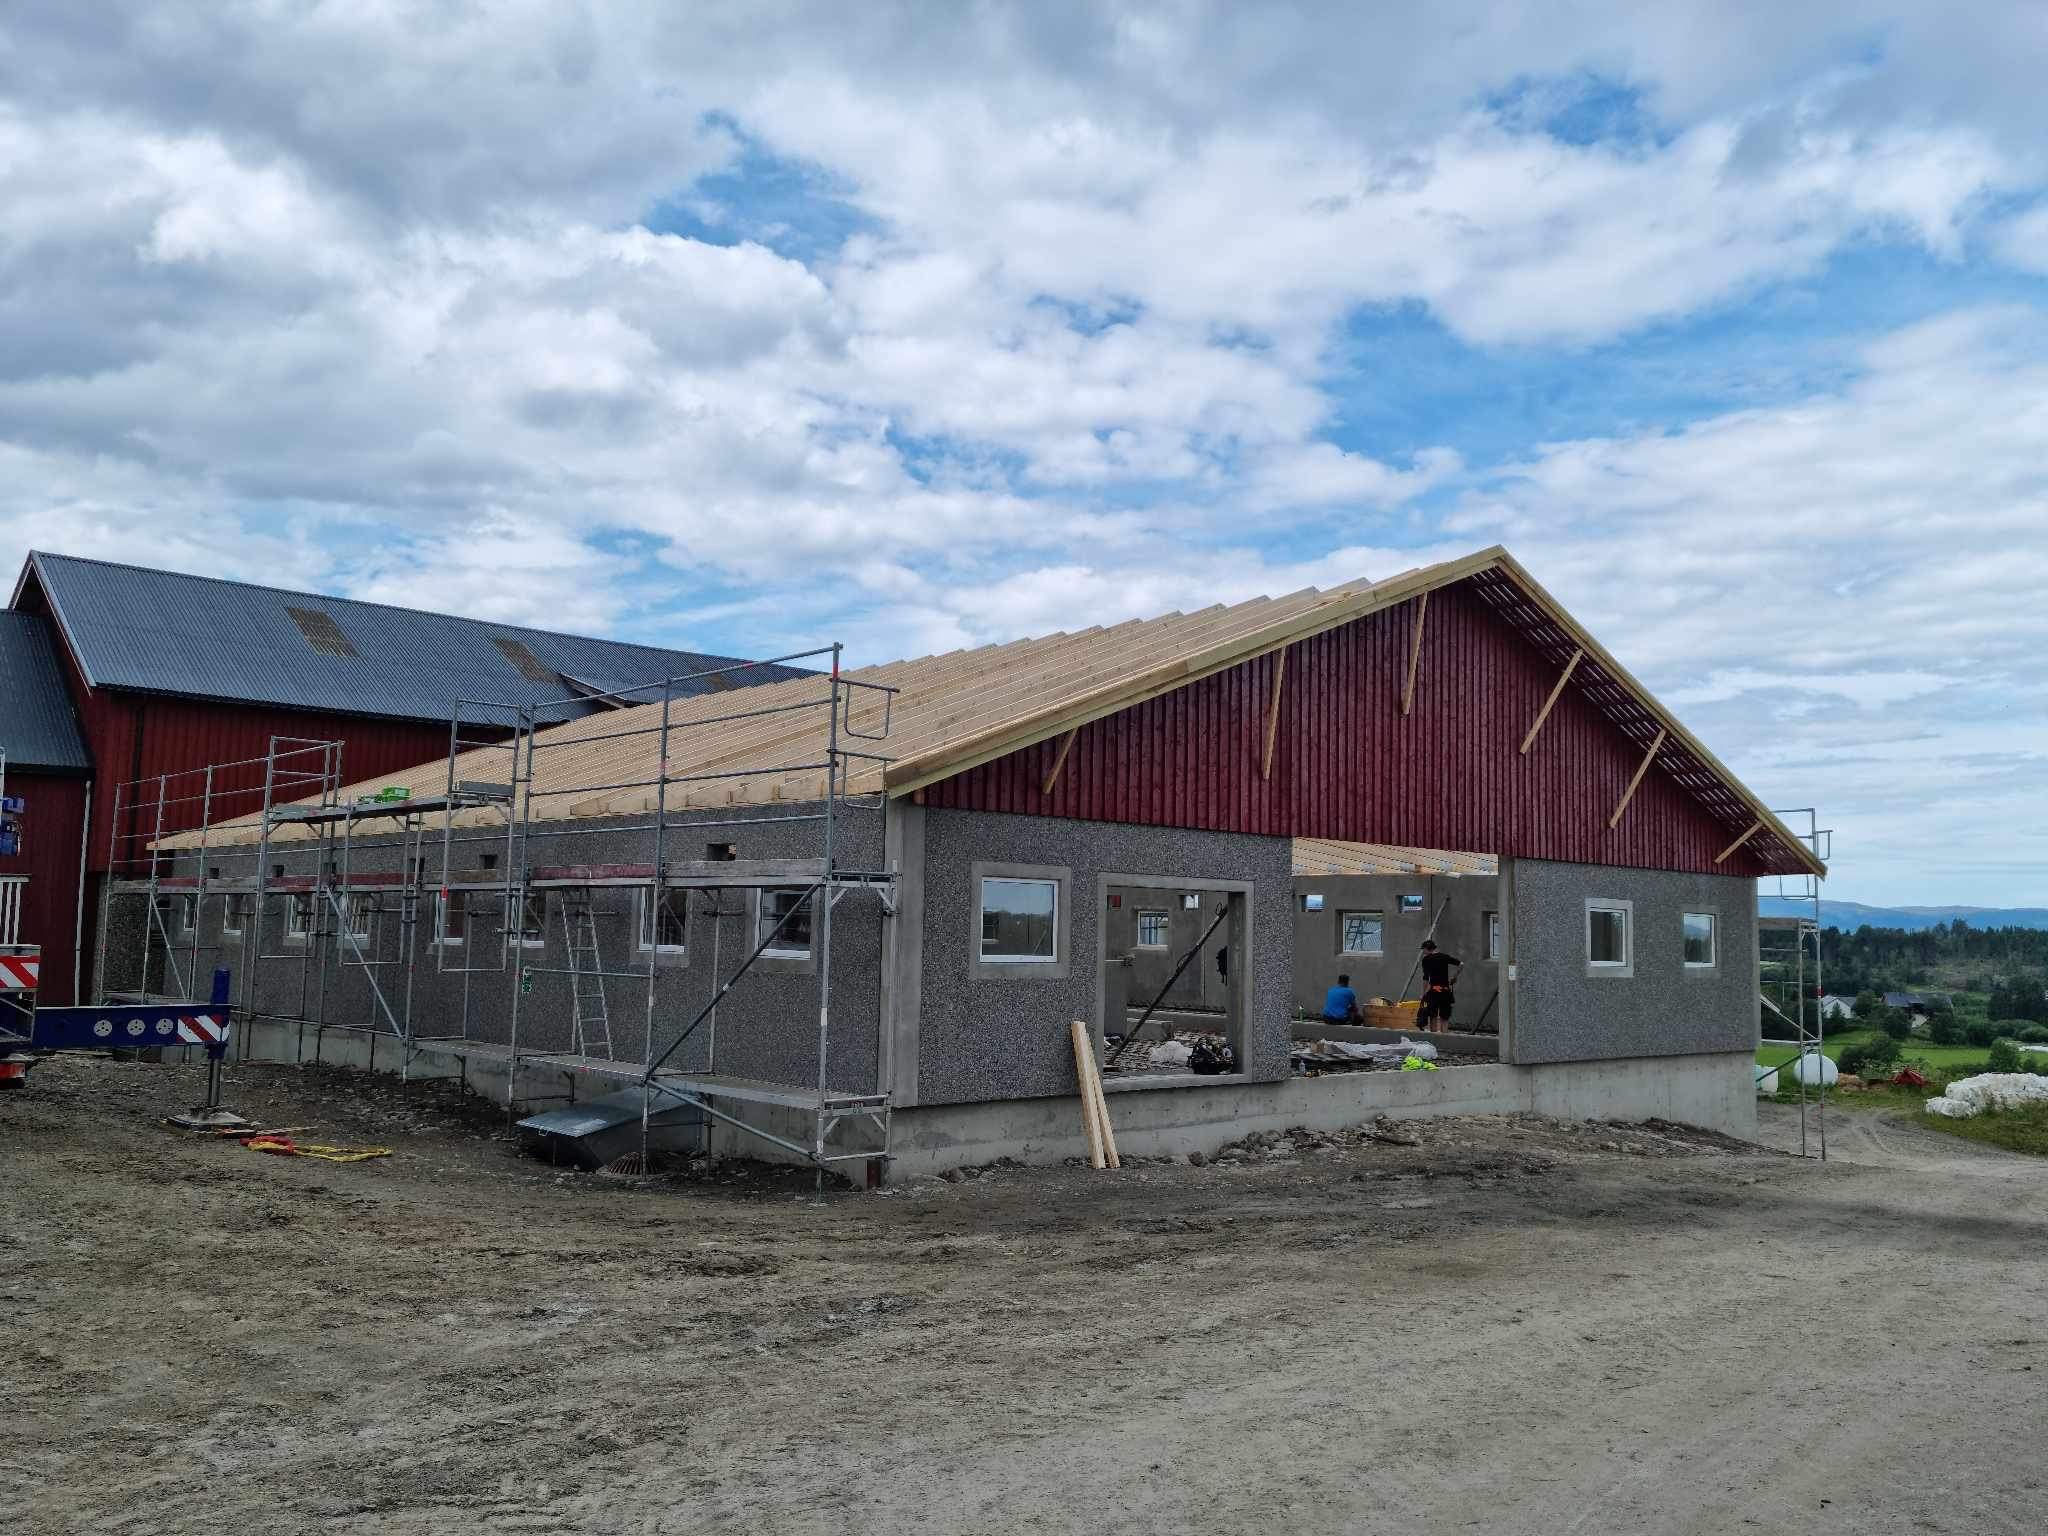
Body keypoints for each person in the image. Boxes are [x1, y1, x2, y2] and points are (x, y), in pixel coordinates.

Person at [1418, 941, 1461, 1032]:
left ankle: (1434, 1038)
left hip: (1434, 992)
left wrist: (1423, 993)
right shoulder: (1444, 956)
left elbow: (1426, 978)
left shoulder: (1426, 959)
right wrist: (1455, 977)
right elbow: (1461, 964)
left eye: (1423, 949)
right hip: (1446, 992)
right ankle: (1444, 1038)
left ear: (1427, 949)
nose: (1423, 952)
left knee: (1433, 1016)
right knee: (1444, 1018)